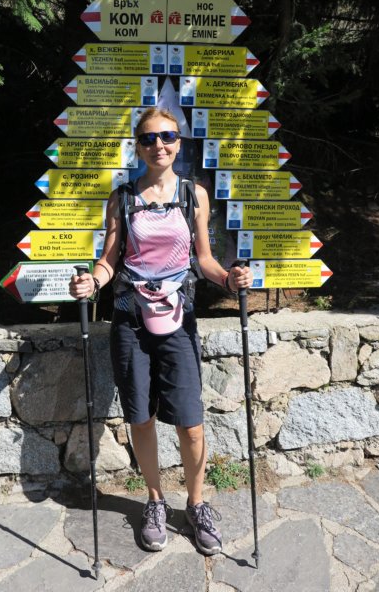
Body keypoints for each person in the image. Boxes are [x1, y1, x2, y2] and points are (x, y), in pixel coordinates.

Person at [69, 107, 252, 555]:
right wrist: (93, 283)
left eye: (168, 137)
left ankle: (196, 503)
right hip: (130, 318)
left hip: (178, 318)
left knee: (190, 422)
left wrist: (229, 280)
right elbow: (109, 260)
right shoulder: (122, 198)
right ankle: (154, 500)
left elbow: (204, 260)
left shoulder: (194, 195)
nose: (159, 146)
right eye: (150, 138)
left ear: (178, 142)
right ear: (138, 146)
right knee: (140, 417)